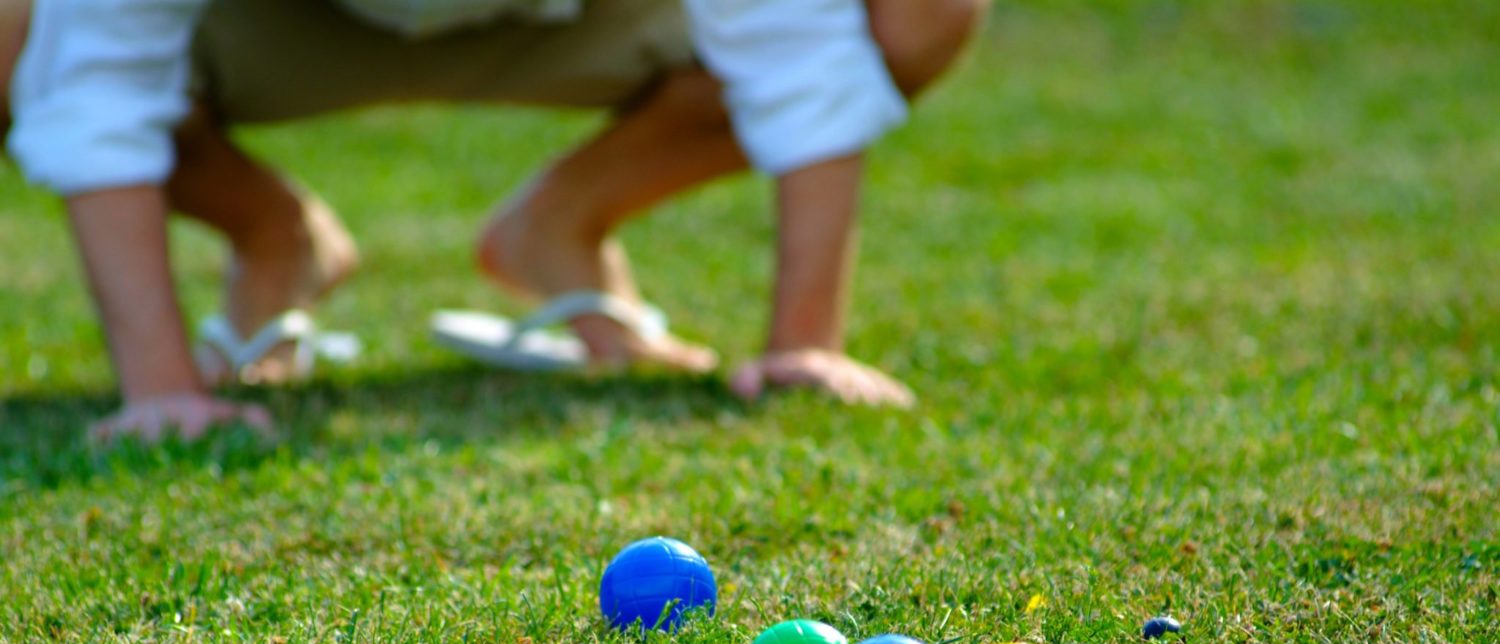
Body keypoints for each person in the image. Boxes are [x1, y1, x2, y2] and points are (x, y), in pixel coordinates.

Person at [3, 0, 987, 442]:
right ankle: (272, 234)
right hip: (286, 26)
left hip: (577, 18)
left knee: (922, 7)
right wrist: (162, 392)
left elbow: (794, 38)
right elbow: (95, 74)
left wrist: (804, 344)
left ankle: (561, 225)